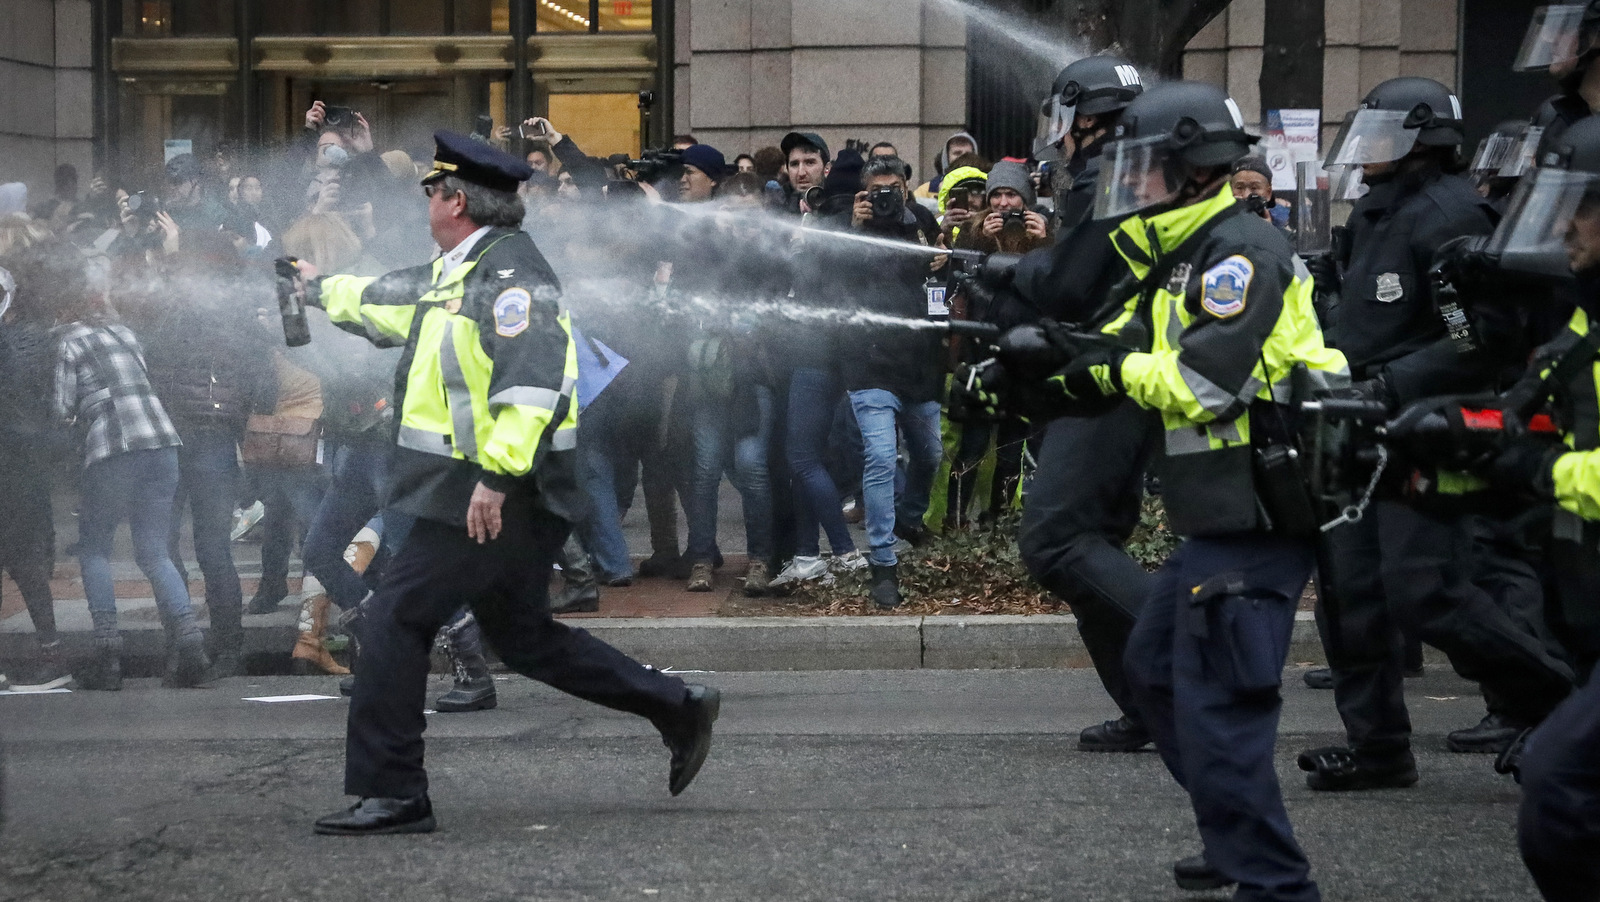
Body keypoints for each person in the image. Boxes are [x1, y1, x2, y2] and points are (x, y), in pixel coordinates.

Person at [294, 132, 718, 835]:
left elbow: (532, 383)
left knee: (395, 618)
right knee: (522, 637)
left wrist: (494, 477)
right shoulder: (462, 268)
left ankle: (394, 791)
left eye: (433, 190)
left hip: (490, 492)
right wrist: (316, 289)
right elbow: (385, 301)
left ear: (456, 200)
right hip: (478, 488)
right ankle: (677, 705)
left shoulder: (511, 275)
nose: (427, 200)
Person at [983, 80, 1346, 899]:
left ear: (1190, 169)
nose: (1129, 186)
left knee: (1219, 703)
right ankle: (1233, 835)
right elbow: (1119, 340)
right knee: (1154, 666)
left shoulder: (1239, 251)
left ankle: (1272, 881)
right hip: (1220, 511)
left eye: (1142, 170)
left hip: (1262, 507)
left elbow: (1207, 383)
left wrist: (1096, 364)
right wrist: (1028, 364)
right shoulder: (1178, 251)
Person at [1298, 77, 1576, 792]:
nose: (1366, 151)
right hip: (1355, 418)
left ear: (1426, 136)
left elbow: (1476, 337)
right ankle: (1378, 747)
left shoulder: (1451, 216)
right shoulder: (1373, 212)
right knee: (1350, 590)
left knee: (1431, 594)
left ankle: (1564, 710)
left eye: (1383, 134)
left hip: (1422, 426)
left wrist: (1391, 385)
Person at [1465, 112, 1600, 900]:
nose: (1564, 224)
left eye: (1581, 204)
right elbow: (1525, 409)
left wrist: (1538, 468)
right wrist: (1455, 436)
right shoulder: (1583, 323)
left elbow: (1545, 454)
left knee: (1558, 788)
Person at [15, 237, 211, 690]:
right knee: (155, 551)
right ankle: (191, 647)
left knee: (96, 548)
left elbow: (64, 409)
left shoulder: (68, 343)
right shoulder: (124, 333)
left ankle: (108, 654)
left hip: (114, 448)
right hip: (163, 446)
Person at [839, 152, 946, 608]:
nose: (886, 198)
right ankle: (883, 562)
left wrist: (943, 261)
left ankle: (910, 517)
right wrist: (855, 231)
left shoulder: (923, 221)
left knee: (931, 453)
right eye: (877, 190)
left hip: (919, 362)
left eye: (894, 189)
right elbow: (830, 276)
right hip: (869, 363)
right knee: (882, 458)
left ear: (907, 186)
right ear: (866, 190)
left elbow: (942, 281)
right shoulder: (851, 224)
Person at [0, 220, 72, 691]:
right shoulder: (30, 329)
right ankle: (50, 650)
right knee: (24, 559)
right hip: (21, 458)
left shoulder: (21, 334)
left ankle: (51, 652)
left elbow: (20, 394)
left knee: (24, 558)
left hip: (14, 457)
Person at [781, 131, 830, 213]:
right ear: (787, 169)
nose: (801, 173)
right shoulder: (776, 207)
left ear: (827, 169)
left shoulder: (840, 206)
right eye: (794, 164)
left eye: (810, 163)